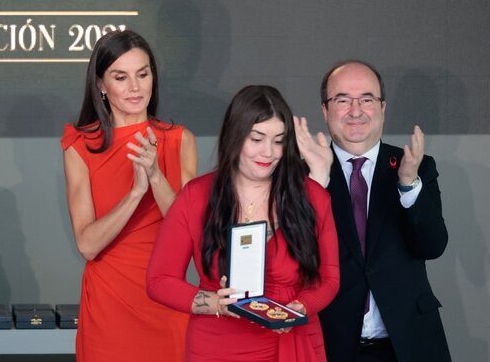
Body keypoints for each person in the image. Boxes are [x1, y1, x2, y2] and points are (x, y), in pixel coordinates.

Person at [147, 85, 339, 362]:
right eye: (257, 139)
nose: (269, 152)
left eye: (279, 140)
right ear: (235, 136)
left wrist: (300, 308)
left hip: (292, 343)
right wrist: (215, 303)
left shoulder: (313, 197)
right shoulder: (196, 197)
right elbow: (159, 281)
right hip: (215, 346)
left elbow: (330, 278)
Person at [294, 60, 450, 362]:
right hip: (329, 343)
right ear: (325, 111)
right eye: (342, 100)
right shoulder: (300, 175)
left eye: (367, 99)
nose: (356, 111)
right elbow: (292, 255)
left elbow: (433, 245)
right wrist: (317, 180)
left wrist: (408, 185)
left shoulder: (416, 167)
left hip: (408, 343)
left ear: (382, 107)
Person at [61, 30, 197, 361]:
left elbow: (191, 230)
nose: (135, 88)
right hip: (110, 308)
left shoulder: (179, 140)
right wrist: (136, 192)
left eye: (143, 74)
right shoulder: (80, 145)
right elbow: (87, 245)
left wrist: (154, 175)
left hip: (167, 301)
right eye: (121, 77)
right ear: (101, 85)